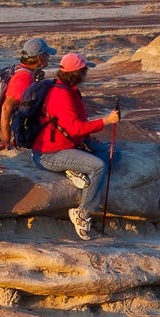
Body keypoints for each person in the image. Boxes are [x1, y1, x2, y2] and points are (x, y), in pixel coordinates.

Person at [32, 52, 121, 240]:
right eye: (85, 70)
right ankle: (82, 213)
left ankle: (74, 170)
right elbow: (75, 127)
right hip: (50, 154)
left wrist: (88, 139)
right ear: (77, 73)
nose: (87, 74)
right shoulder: (60, 95)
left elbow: (77, 123)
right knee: (98, 166)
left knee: (115, 153)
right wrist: (106, 121)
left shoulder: (71, 91)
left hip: (69, 146)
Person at [0, 37, 55, 143]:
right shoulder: (24, 77)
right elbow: (6, 107)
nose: (48, 57)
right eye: (47, 54)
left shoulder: (20, 69)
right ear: (40, 57)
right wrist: (6, 140)